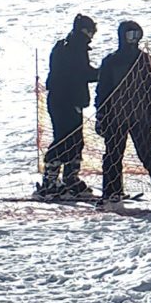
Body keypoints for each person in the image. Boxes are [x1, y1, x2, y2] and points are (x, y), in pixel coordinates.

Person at [95, 20, 151, 208]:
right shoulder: (111, 61)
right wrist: (101, 115)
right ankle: (112, 192)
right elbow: (103, 91)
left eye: (137, 35)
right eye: (130, 35)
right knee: (113, 155)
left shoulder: (144, 59)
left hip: (140, 116)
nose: (134, 40)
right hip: (115, 116)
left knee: (148, 154)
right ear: (121, 37)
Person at [37, 13, 98, 200]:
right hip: (66, 101)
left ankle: (70, 178)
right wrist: (105, 72)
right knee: (65, 139)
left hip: (64, 100)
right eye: (91, 31)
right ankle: (51, 180)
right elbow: (83, 73)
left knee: (75, 140)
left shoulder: (66, 46)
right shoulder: (74, 49)